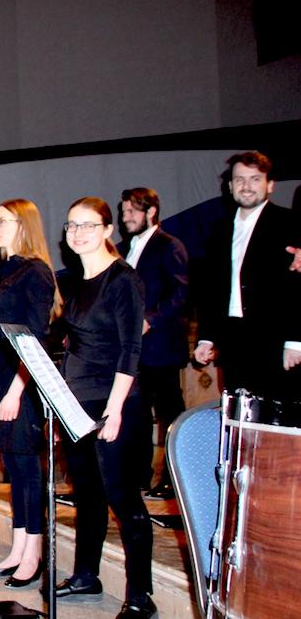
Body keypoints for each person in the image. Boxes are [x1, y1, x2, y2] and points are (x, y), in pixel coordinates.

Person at [55, 197, 156, 619]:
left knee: (123, 498)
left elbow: (130, 349)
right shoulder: (75, 282)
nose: (77, 233)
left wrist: (113, 412)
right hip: (77, 401)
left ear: (108, 230)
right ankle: (86, 575)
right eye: (71, 225)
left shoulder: (123, 280)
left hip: (114, 403)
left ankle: (140, 596)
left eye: (88, 225)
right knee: (88, 494)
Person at [0, 199, 57, 588]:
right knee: (14, 469)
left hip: (19, 382)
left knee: (28, 470)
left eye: (2, 221)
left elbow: (35, 338)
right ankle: (19, 547)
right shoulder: (6, 271)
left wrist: (15, 390)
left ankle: (34, 554)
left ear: (22, 225)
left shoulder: (36, 272)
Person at [195, 152, 300, 399]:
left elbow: (298, 286)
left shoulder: (291, 223)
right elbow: (210, 288)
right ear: (230, 186)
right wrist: (206, 338)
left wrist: (295, 341)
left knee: (276, 421)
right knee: (239, 416)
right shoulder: (219, 229)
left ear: (270, 185)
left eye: (255, 179)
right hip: (233, 339)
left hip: (276, 341)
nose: (247, 186)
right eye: (240, 180)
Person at [118, 188, 189, 499]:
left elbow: (181, 293)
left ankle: (175, 482)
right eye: (123, 213)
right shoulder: (122, 249)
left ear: (151, 212)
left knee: (169, 414)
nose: (126, 218)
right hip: (132, 349)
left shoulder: (169, 246)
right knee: (136, 415)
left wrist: (150, 319)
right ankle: (137, 477)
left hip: (161, 347)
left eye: (132, 211)